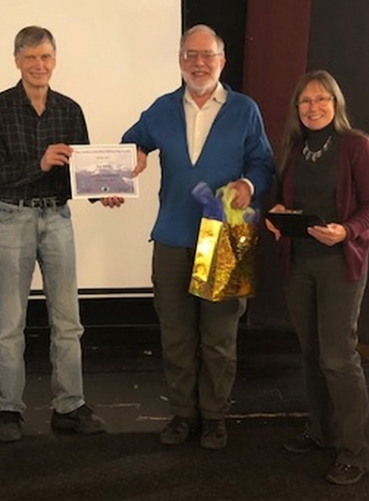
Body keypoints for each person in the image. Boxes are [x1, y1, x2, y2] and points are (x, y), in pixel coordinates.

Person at [101, 24, 275, 450]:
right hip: (172, 237)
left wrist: (249, 186)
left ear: (222, 60)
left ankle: (214, 415)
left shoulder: (244, 109)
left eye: (207, 55)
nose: (199, 63)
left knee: (219, 337)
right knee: (176, 334)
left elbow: (263, 164)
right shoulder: (162, 108)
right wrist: (132, 160)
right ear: (180, 60)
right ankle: (182, 414)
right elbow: (131, 143)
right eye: (190, 55)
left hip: (225, 238)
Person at [0, 25, 105, 443]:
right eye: (30, 57)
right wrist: (40, 163)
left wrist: (103, 193)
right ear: (16, 60)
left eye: (46, 57)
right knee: (11, 322)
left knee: (68, 321)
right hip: (11, 219)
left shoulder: (70, 110)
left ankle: (70, 406)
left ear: (55, 59)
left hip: (58, 219)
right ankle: (9, 410)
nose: (38, 65)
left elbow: (80, 176)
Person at [265, 69, 369, 484]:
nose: (313, 108)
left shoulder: (356, 145)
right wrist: (278, 214)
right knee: (312, 354)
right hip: (298, 262)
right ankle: (322, 432)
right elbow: (287, 199)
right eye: (306, 101)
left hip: (340, 264)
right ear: (296, 108)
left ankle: (357, 451)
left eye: (322, 100)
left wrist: (346, 231)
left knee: (338, 357)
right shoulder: (295, 148)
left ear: (336, 103)